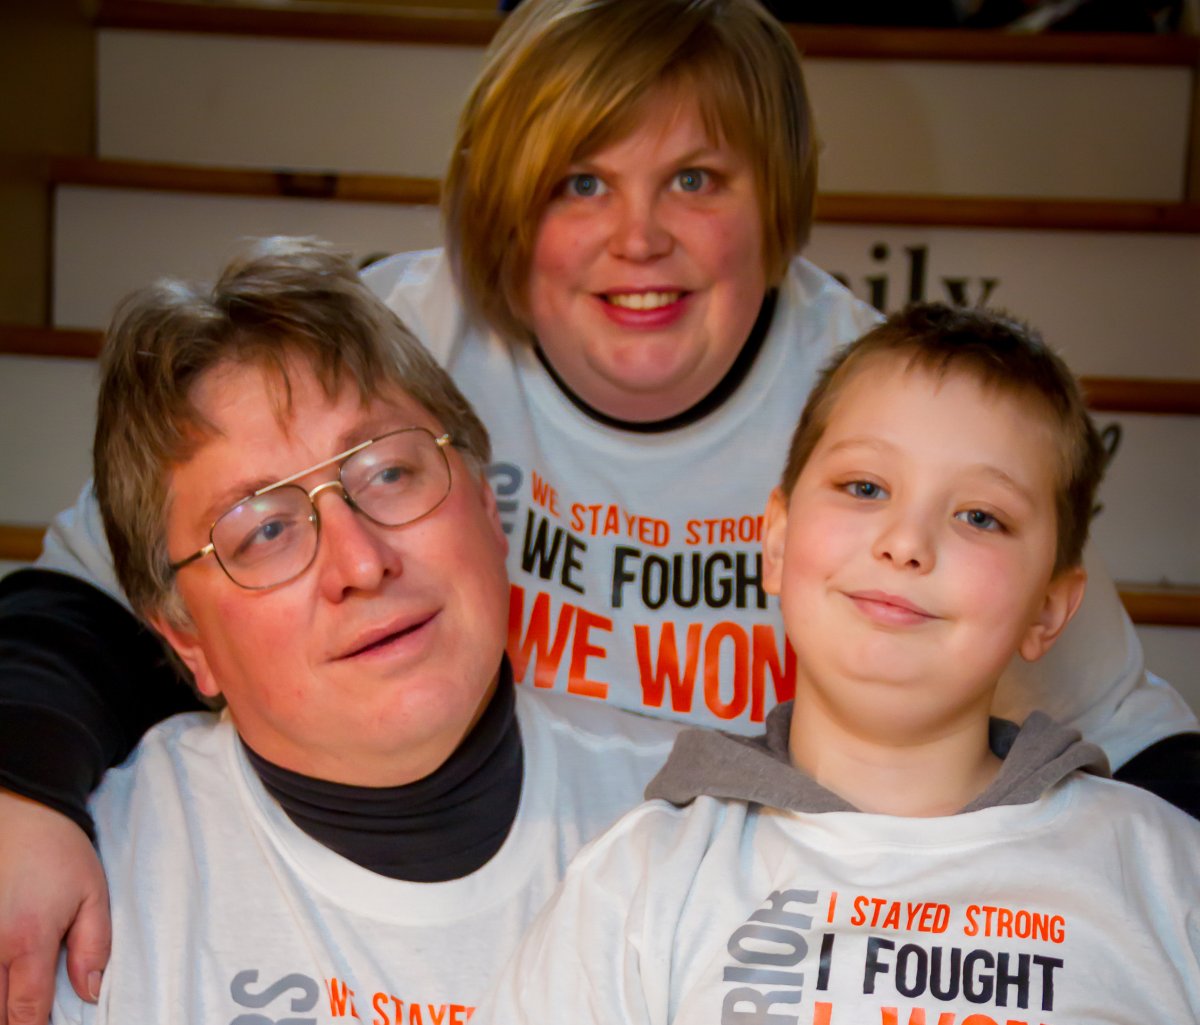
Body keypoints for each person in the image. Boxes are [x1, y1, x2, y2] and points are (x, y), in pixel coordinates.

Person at [0, 0, 1196, 1021]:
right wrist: (24, 791)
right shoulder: (389, 342)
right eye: (581, 181)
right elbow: (82, 603)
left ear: (774, 200)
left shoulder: (891, 417)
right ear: (506, 211)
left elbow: (1126, 735)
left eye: (694, 178)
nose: (640, 239)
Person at [482, 303, 1200, 1025]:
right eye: (866, 487)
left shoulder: (1163, 873)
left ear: (1050, 607)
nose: (906, 542)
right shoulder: (641, 879)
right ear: (777, 541)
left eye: (981, 515)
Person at [47, 237, 681, 1024]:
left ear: (487, 505)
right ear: (186, 639)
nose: (360, 560)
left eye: (387, 471)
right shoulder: (86, 893)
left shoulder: (698, 826)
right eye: (264, 530)